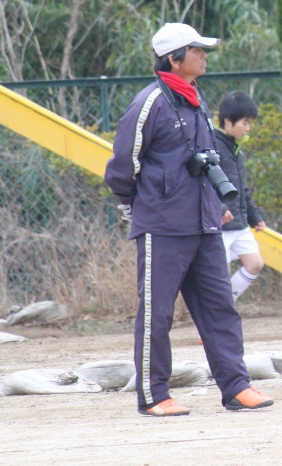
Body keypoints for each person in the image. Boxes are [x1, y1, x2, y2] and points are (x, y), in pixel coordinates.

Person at [104, 22, 272, 416]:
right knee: (157, 314)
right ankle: (155, 395)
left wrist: (213, 203)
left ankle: (236, 387)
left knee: (220, 309)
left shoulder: (196, 97)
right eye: (197, 49)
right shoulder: (149, 103)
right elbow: (122, 166)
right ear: (174, 58)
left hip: (206, 224)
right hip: (162, 226)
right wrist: (138, 207)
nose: (204, 56)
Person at [214, 91, 266, 302]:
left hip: (240, 223)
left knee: (255, 264)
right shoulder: (213, 146)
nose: (248, 128)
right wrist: (220, 209)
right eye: (244, 123)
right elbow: (203, 184)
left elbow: (242, 188)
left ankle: (226, 305)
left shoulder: (236, 149)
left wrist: (254, 216)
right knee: (220, 275)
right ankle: (218, 314)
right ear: (228, 120)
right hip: (220, 225)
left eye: (249, 123)